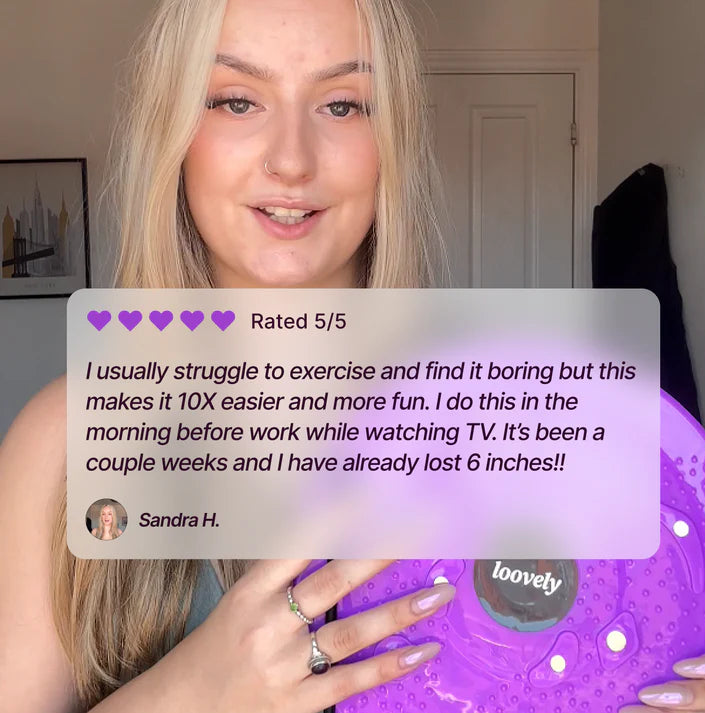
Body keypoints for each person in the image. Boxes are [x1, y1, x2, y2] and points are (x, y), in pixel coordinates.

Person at [0, 1, 453, 712]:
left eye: (341, 105)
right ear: (175, 132)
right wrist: (192, 692)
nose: (291, 161)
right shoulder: (62, 441)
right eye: (237, 101)